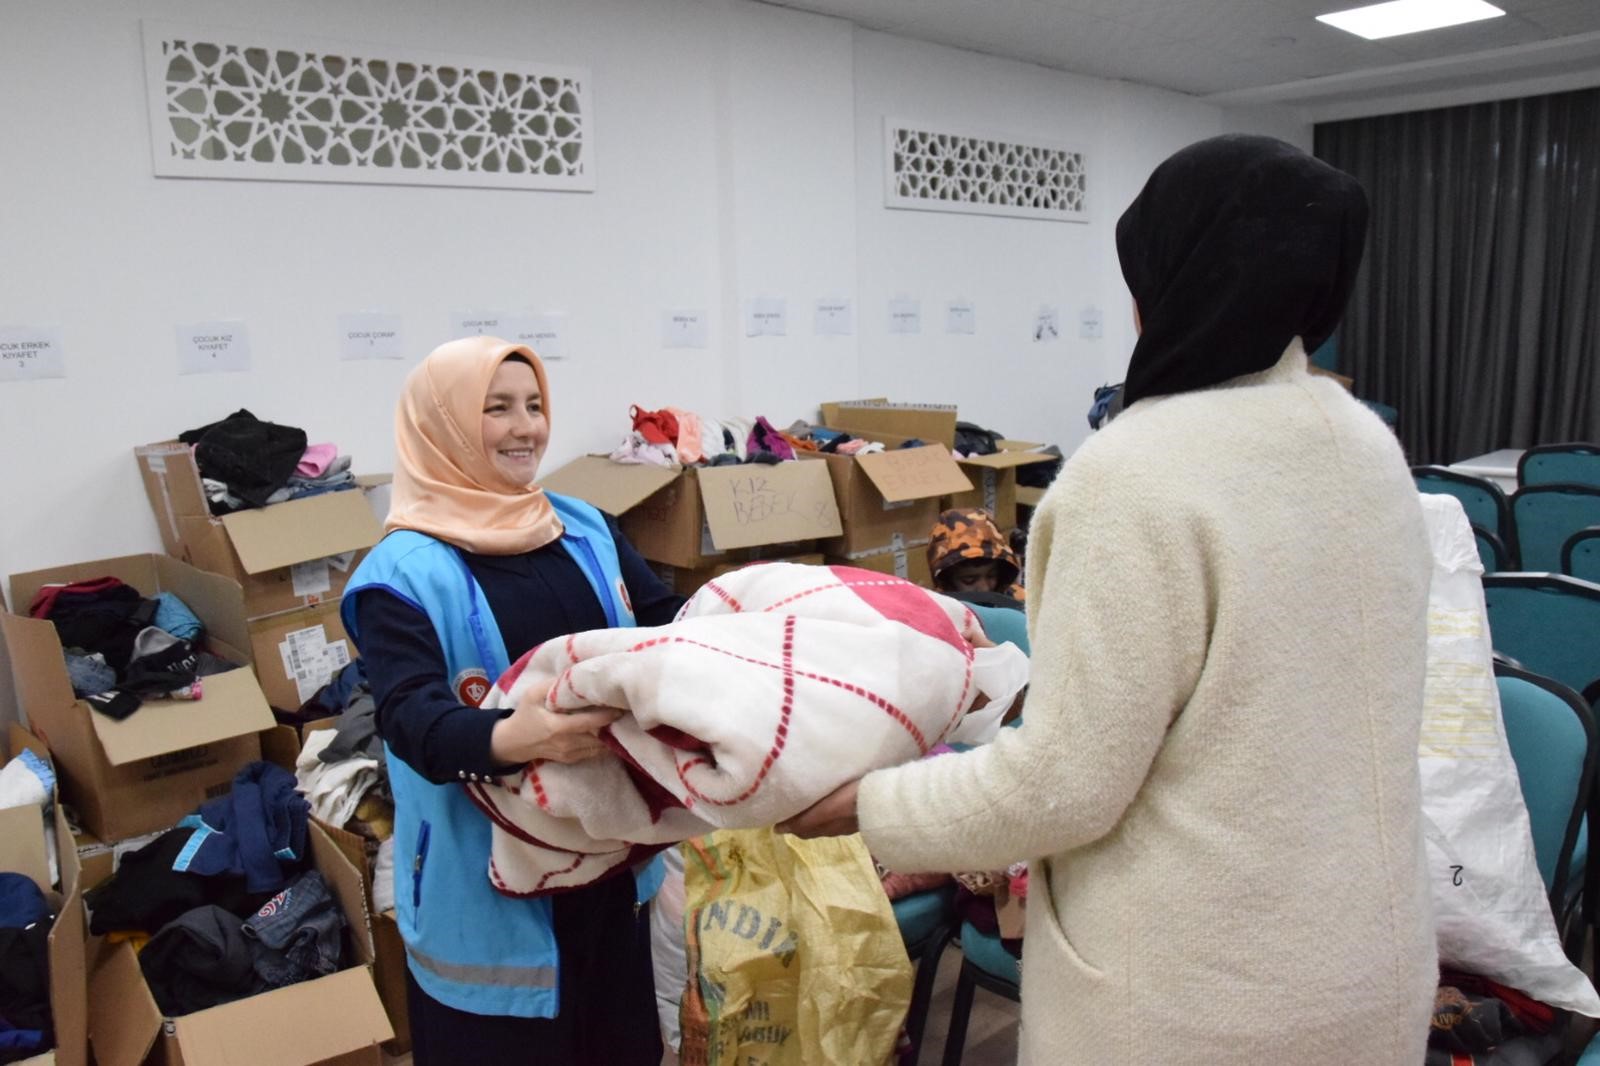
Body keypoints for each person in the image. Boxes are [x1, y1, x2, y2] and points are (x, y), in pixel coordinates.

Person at [783, 135, 1438, 1063]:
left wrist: (867, 805)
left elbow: (1063, 787)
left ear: (1172, 280)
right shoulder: (1367, 447)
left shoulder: (1135, 474)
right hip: (1370, 967)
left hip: (1197, 999)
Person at [341, 336, 683, 1064]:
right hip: (487, 890)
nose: (525, 427)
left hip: (607, 864)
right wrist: (520, 738)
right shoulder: (400, 575)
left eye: (534, 405)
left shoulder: (586, 529)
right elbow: (411, 720)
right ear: (442, 425)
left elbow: (665, 627)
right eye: (496, 408)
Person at [926, 507, 1026, 603]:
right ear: (947, 581)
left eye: (991, 576)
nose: (984, 588)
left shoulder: (1023, 602)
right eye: (970, 580)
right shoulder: (935, 610)